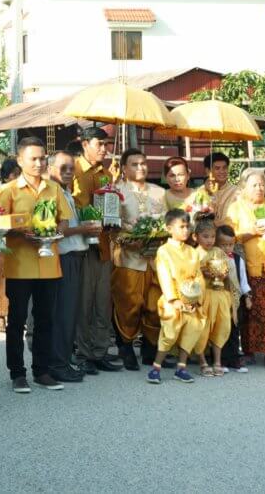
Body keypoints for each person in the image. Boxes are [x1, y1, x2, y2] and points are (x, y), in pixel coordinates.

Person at [0, 136, 72, 393]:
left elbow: (64, 221)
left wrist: (54, 232)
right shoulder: (7, 190)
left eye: (42, 158)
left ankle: (42, 370)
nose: (39, 163)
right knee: (16, 321)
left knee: (46, 319)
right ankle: (17, 373)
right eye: (33, 159)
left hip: (49, 263)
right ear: (20, 160)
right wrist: (20, 230)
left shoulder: (54, 188)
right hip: (19, 263)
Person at [223, 168, 265, 369]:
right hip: (245, 267)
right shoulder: (236, 208)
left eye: (262, 184)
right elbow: (228, 237)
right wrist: (250, 232)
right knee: (247, 311)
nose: (260, 188)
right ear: (244, 187)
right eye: (254, 185)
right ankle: (249, 352)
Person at [48, 150, 101, 383]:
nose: (68, 172)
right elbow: (55, 231)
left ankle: (64, 359)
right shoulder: (52, 192)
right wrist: (84, 229)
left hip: (75, 256)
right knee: (64, 314)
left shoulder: (65, 192)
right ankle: (59, 363)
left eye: (71, 168)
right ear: (51, 169)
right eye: (63, 168)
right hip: (64, 256)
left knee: (70, 313)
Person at [70, 126, 120, 373]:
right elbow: (75, 209)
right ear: (84, 144)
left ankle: (100, 351)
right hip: (81, 245)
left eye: (106, 144)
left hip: (103, 243)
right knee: (84, 300)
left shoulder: (106, 173)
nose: (104, 149)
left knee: (103, 300)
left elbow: (108, 206)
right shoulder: (74, 170)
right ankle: (84, 352)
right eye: (99, 144)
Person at [111, 147, 166, 370]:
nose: (140, 167)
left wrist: (159, 236)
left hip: (155, 259)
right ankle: (125, 346)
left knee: (154, 305)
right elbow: (112, 228)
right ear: (124, 168)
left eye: (143, 163)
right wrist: (129, 240)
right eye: (134, 164)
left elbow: (166, 222)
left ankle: (150, 348)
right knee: (130, 304)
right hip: (128, 258)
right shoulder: (117, 191)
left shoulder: (158, 192)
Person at [147, 209, 205, 384]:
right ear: (169, 228)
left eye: (187, 227)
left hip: (191, 300)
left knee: (192, 329)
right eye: (181, 227)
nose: (185, 230)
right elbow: (164, 275)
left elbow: (198, 276)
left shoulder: (192, 251)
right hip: (173, 301)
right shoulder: (164, 251)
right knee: (170, 332)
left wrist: (195, 299)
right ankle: (156, 367)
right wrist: (174, 299)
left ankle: (181, 367)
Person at [193, 213, 240, 377]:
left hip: (219, 295)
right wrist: (203, 272)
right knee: (203, 328)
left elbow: (228, 274)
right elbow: (189, 275)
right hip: (203, 296)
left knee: (221, 326)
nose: (209, 240)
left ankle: (217, 361)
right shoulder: (193, 254)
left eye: (212, 236)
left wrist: (222, 273)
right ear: (196, 236)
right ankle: (202, 361)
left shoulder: (219, 252)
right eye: (205, 236)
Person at [216, 225, 250, 373]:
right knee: (222, 329)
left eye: (230, 244)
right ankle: (222, 360)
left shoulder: (237, 259)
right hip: (220, 298)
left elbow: (243, 280)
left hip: (235, 300)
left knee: (235, 329)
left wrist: (248, 296)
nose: (227, 248)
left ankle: (234, 359)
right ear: (217, 243)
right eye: (223, 244)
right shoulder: (215, 258)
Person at [187, 152, 239, 222]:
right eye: (217, 168)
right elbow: (194, 216)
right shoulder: (199, 192)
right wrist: (208, 194)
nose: (222, 171)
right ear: (208, 171)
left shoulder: (237, 192)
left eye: (225, 168)